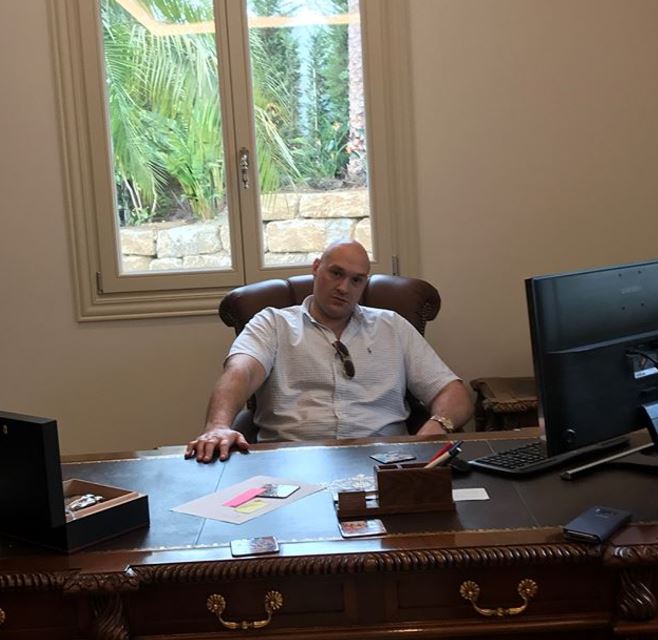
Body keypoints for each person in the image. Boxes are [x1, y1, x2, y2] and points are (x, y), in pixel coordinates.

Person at [185, 240, 473, 462]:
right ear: (316, 268)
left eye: (356, 280)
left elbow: (453, 394)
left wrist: (439, 424)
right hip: (292, 462)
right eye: (336, 273)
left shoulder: (391, 326)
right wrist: (218, 426)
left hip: (385, 460)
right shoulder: (273, 323)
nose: (344, 288)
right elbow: (240, 373)